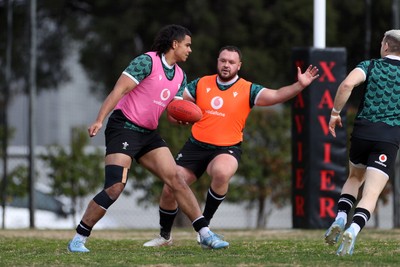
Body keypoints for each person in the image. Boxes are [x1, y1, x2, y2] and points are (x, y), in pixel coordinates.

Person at [67, 24, 229, 253]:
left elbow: (172, 111)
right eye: (187, 45)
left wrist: (183, 118)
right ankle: (78, 238)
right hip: (123, 126)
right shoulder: (147, 62)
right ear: (175, 44)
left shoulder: (180, 76)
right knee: (114, 186)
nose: (190, 50)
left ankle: (205, 234)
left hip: (148, 134)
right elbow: (119, 90)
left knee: (176, 179)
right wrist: (99, 119)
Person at [143, 45, 319, 247]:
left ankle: (204, 229)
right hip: (195, 145)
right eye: (223, 60)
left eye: (231, 62)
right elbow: (175, 104)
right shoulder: (201, 83)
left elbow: (277, 94)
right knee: (169, 189)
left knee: (222, 172)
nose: (226, 65)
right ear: (218, 61)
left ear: (239, 65)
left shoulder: (248, 89)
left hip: (226, 147)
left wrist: (300, 85)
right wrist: (174, 116)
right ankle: (165, 236)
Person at [324, 29, 400, 256]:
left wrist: (335, 113)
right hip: (389, 137)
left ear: (386, 45)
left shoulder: (370, 65)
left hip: (363, 132)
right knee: (371, 194)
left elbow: (346, 85)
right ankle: (354, 230)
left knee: (354, 178)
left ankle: (340, 217)